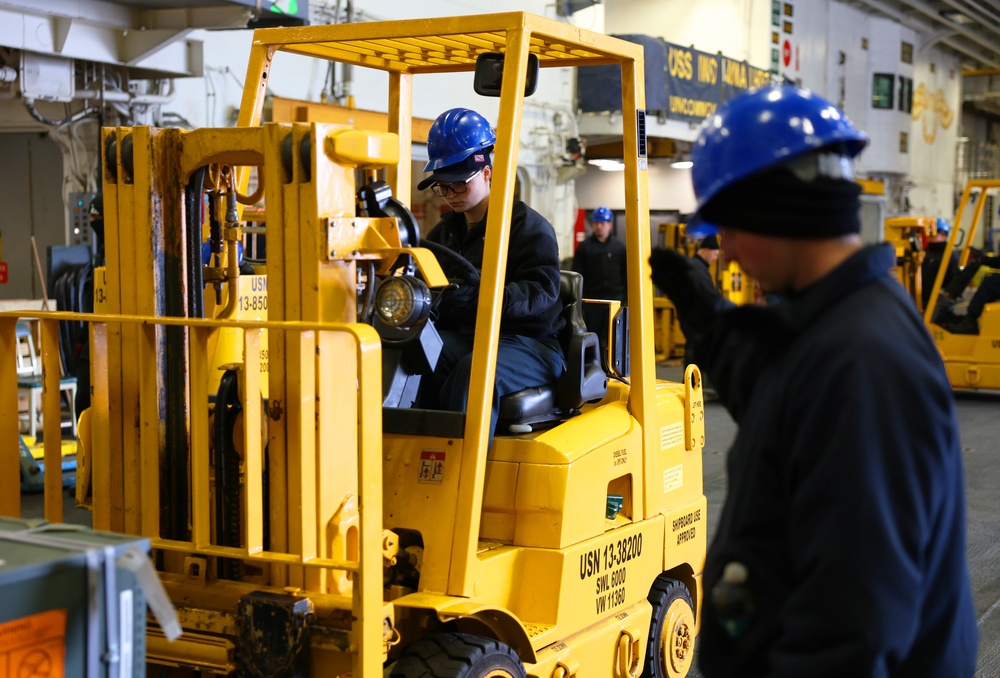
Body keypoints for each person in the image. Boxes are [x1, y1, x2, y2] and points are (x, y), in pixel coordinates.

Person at [648, 85, 977, 677]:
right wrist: (714, 327)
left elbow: (850, 630)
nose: (724, 251)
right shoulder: (844, 320)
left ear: (772, 212)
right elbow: (788, 405)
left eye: (726, 226)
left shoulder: (862, 364)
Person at [416, 107, 565, 441]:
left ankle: (458, 478)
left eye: (458, 185)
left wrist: (485, 294)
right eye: (443, 187)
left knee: (476, 372)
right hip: (471, 337)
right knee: (413, 356)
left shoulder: (529, 229)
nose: (450, 195)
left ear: (486, 172)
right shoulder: (444, 233)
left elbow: (541, 293)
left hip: (530, 343)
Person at [572, 206, 627, 356]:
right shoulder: (585, 248)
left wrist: (626, 300)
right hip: (592, 302)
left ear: (610, 224)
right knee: (593, 337)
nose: (599, 226)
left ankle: (613, 371)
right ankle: (594, 368)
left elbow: (626, 275)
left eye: (603, 223)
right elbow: (578, 275)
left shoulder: (619, 248)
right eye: (596, 222)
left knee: (614, 338)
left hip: (615, 301)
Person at [680, 234, 719, 368]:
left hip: (692, 317)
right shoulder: (696, 268)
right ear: (706, 250)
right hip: (694, 318)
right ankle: (690, 384)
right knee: (693, 351)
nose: (715, 259)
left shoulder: (697, 267)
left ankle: (692, 383)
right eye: (714, 255)